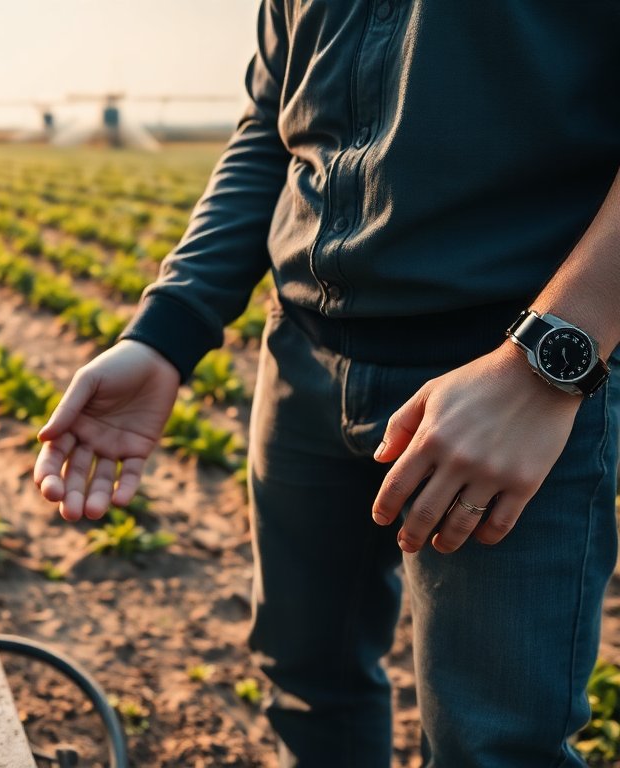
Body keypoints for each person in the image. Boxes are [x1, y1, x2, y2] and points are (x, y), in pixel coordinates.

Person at [34, 2, 620, 765]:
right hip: (303, 361)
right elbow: (270, 128)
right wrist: (166, 332)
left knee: (494, 746)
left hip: (501, 385)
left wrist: (544, 364)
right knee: (310, 687)